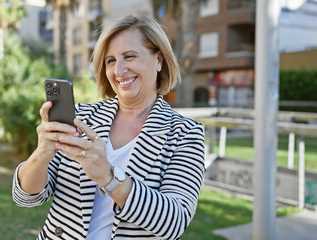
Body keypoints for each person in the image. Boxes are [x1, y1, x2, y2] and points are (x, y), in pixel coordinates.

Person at [12, 14, 205, 240]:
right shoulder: (82, 117)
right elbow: (26, 197)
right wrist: (42, 153)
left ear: (159, 60)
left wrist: (108, 177)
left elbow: (174, 222)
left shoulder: (185, 134)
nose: (119, 70)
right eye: (110, 60)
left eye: (129, 56)